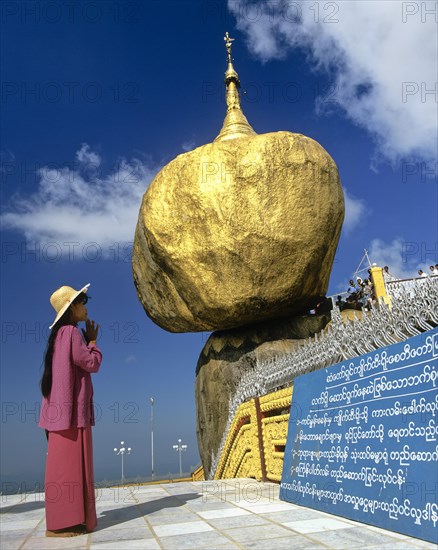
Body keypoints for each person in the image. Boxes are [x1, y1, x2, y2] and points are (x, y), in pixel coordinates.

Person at [38, 284, 102, 537]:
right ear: (71, 308)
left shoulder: (60, 336)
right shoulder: (72, 334)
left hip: (59, 414)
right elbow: (90, 363)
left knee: (62, 468)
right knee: (72, 467)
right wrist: (94, 341)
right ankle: (62, 525)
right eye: (82, 302)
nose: (85, 306)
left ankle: (67, 521)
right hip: (73, 414)